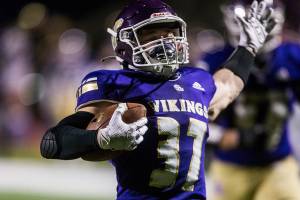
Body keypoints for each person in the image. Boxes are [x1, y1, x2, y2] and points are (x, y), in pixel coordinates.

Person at [40, 0, 276, 199]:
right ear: (125, 44)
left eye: (170, 35)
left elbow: (228, 85)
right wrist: (101, 138)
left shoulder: (196, 80)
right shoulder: (112, 82)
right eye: (153, 35)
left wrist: (249, 46)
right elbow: (52, 142)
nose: (166, 43)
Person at [199, 0, 300, 199]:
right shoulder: (215, 60)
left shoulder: (293, 57)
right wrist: (221, 136)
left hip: (277, 163)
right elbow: (194, 115)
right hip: (230, 166)